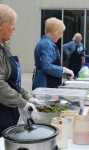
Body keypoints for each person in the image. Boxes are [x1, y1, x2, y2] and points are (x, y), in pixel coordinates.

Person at [0, 4, 39, 135]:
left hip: (7, 110)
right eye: (11, 24)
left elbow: (11, 82)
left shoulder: (4, 47)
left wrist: (27, 97)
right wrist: (22, 102)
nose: (14, 28)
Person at [32, 17, 74, 89]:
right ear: (56, 31)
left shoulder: (46, 43)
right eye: (61, 33)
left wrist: (63, 72)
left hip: (45, 83)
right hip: (45, 86)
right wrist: (63, 70)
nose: (61, 36)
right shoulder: (46, 44)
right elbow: (46, 66)